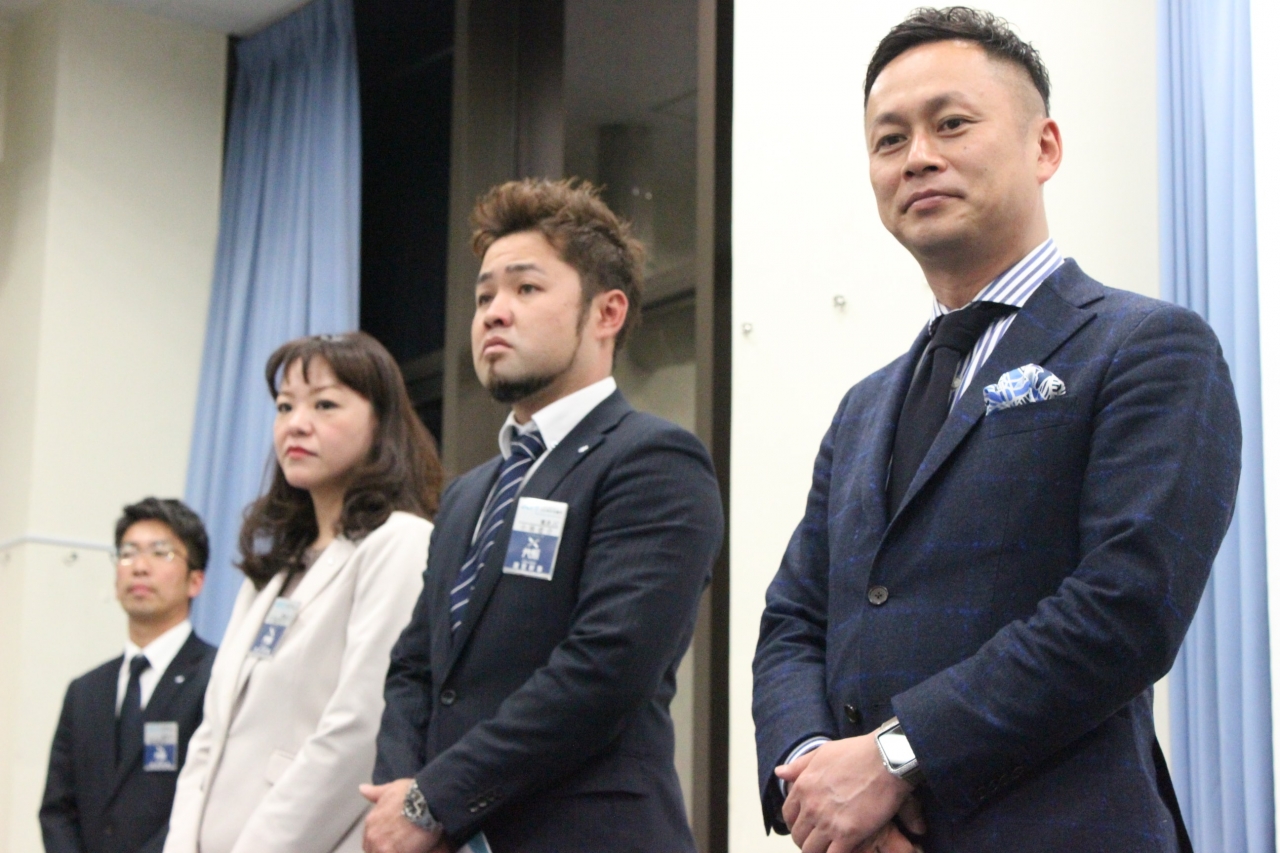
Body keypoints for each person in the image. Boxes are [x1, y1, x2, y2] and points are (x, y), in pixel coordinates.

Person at [752, 7, 1242, 853]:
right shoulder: (864, 407)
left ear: (1044, 146)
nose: (918, 156)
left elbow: (1126, 609)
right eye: (889, 139)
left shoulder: (1147, 347)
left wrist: (896, 756)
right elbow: (794, 618)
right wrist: (818, 783)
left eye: (951, 123)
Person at [362, 178, 724, 853]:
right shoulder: (468, 493)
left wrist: (432, 800)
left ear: (607, 313)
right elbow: (415, 668)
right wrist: (402, 789)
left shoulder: (653, 460)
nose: (494, 314)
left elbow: (604, 669)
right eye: (484, 297)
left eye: (525, 288)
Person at [165, 332, 442, 853]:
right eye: (285, 406)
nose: (296, 423)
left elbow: (359, 728)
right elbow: (211, 733)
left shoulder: (400, 542)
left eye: (325, 404)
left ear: (380, 422)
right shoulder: (275, 568)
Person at [40, 498, 216, 853]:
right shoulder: (85, 691)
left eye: (160, 553)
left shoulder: (216, 676)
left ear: (195, 581)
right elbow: (58, 810)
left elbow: (208, 801)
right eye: (128, 553)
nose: (139, 567)